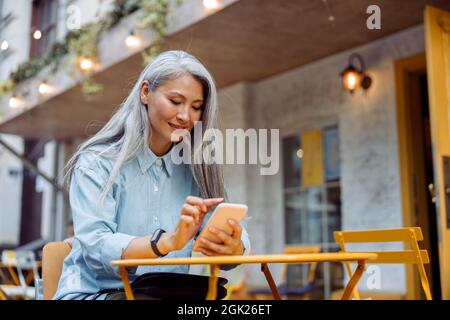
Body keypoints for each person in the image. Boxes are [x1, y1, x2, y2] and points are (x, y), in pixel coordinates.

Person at [53, 50, 250, 300]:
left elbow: (226, 232)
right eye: (175, 101)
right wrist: (164, 242)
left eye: (196, 107)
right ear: (145, 92)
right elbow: (95, 246)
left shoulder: (195, 168)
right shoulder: (97, 162)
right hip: (96, 294)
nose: (185, 116)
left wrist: (235, 244)